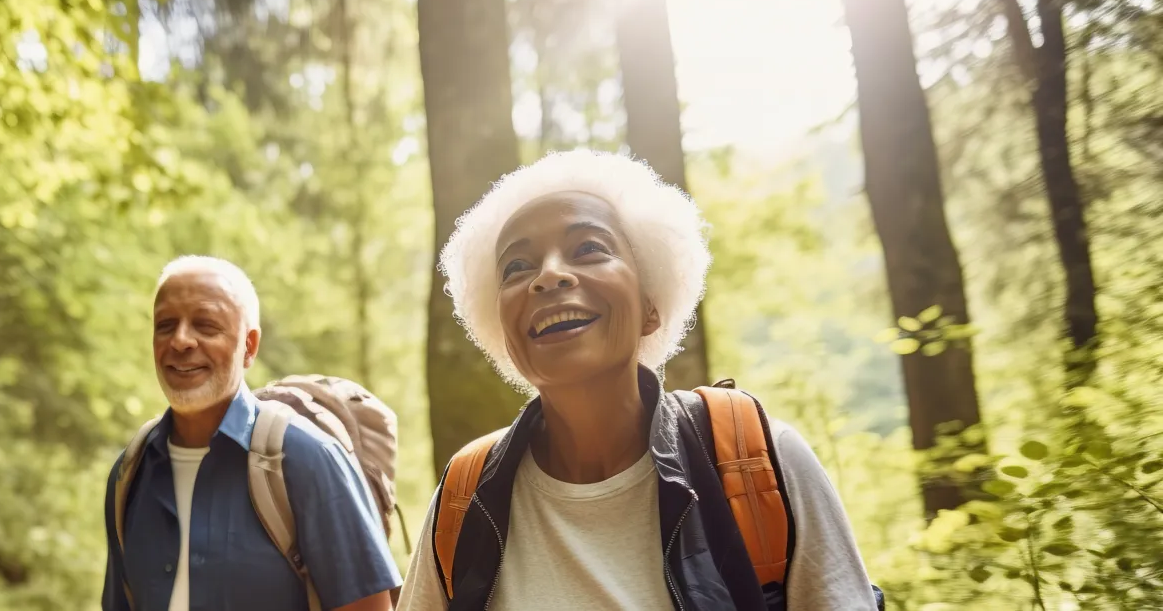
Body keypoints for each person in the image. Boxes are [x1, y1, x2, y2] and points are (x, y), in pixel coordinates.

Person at [396, 150, 879, 610]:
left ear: (652, 305)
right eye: (516, 267)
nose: (548, 276)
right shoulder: (466, 495)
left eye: (588, 248)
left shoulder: (756, 461)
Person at [102, 256, 401, 611]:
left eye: (206, 325)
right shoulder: (131, 472)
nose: (180, 340)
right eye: (166, 325)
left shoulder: (308, 460)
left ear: (250, 345)